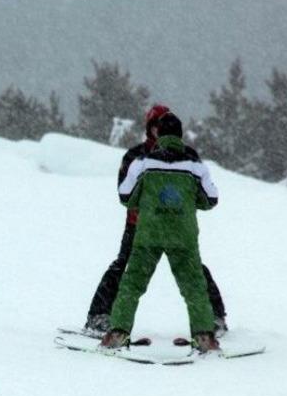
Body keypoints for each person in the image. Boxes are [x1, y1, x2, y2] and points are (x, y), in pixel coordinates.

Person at [85, 104, 227, 338]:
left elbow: (128, 194)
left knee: (189, 273)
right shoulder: (136, 156)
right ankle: (99, 315)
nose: (157, 132)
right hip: (139, 224)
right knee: (125, 267)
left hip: (159, 226)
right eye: (155, 125)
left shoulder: (179, 156)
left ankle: (215, 316)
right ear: (150, 128)